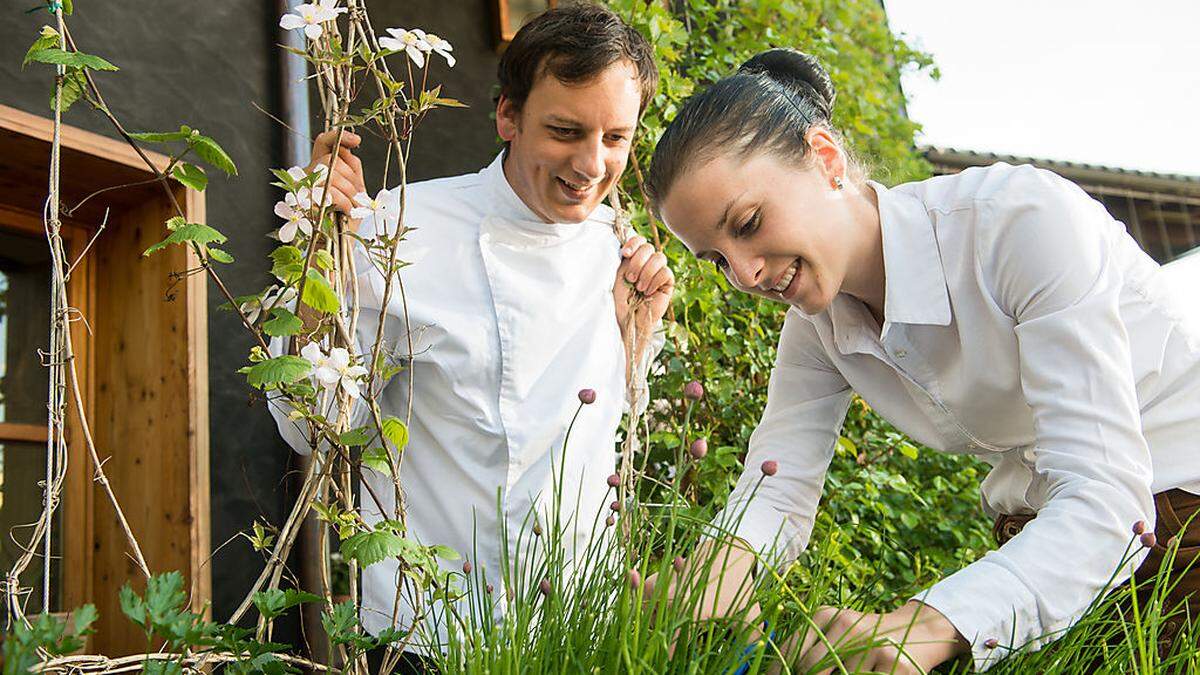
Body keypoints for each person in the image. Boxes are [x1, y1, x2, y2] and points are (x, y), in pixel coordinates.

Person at [644, 48, 1200, 672]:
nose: (744, 275)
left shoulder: (1020, 224)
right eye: (716, 260)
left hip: (1181, 522)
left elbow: (1106, 498)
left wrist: (921, 625)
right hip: (1053, 542)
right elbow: (778, 486)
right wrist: (717, 573)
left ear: (825, 160)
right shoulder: (817, 329)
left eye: (746, 223)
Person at [267, 3, 672, 669]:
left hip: (575, 630)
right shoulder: (397, 227)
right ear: (507, 116)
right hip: (424, 633)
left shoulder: (618, 252)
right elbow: (312, 425)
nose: (592, 165)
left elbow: (608, 446)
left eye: (616, 138)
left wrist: (636, 343)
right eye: (565, 131)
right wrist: (324, 257)